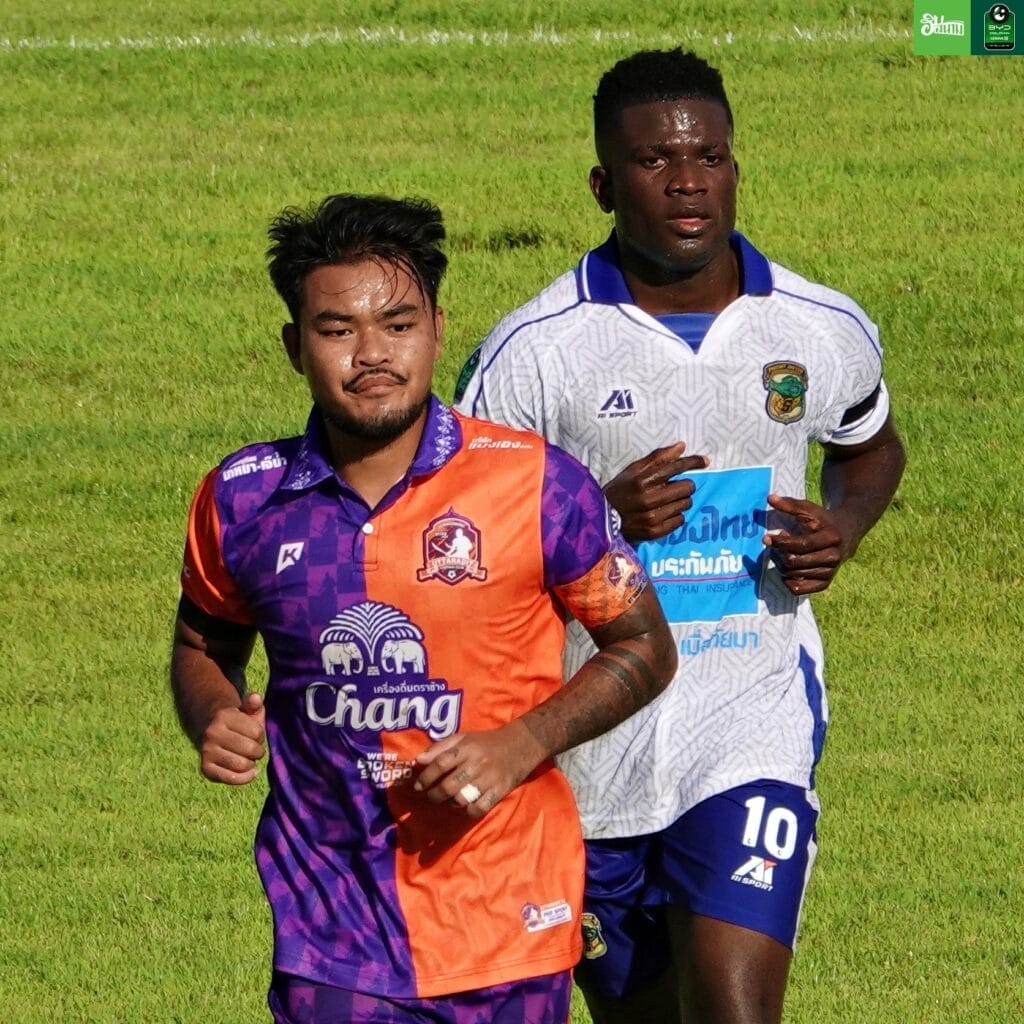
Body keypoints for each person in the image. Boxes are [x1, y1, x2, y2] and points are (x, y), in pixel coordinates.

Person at [455, 49, 907, 1024]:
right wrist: (595, 519)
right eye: (655, 160)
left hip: (752, 720)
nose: (688, 180)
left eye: (709, 156)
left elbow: (869, 447)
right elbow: (456, 541)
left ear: (735, 166)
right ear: (602, 185)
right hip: (586, 746)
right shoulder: (534, 354)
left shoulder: (818, 326)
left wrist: (842, 526)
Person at [170, 193, 677, 1024]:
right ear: (295, 347)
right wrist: (213, 714)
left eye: (398, 324)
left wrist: (523, 743)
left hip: (510, 919)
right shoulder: (243, 499)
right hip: (329, 932)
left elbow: (645, 646)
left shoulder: (536, 484)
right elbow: (202, 643)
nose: (372, 353)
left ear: (438, 330)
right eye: (338, 330)